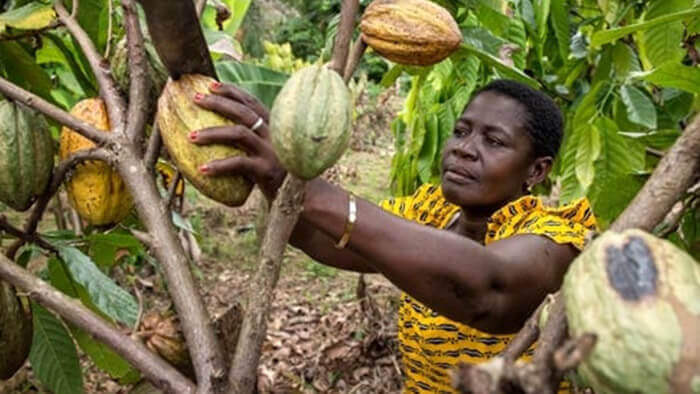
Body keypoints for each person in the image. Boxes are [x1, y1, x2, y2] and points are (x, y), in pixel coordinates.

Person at [188, 79, 597, 393]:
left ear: (537, 171)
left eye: (493, 141)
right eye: (461, 131)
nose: (464, 149)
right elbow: (321, 238)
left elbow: (487, 290)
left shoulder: (558, 238)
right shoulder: (429, 212)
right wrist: (277, 169)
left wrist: (306, 186)